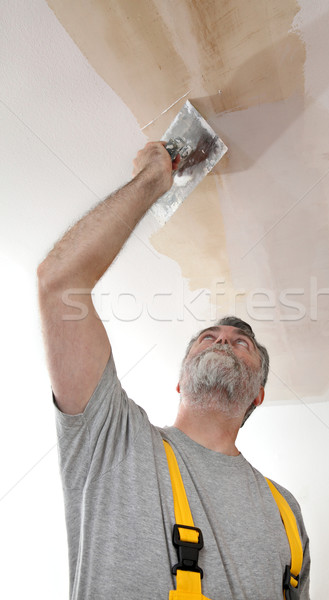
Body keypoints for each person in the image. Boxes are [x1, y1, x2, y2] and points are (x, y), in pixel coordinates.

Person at [37, 141, 310, 599]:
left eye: (242, 344)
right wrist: (152, 181)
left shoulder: (287, 511)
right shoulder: (113, 439)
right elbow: (59, 281)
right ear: (181, 378)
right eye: (208, 338)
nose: (223, 338)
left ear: (257, 395)